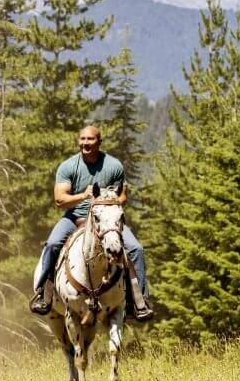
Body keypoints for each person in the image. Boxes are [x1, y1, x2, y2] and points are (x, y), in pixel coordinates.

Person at [29, 125, 153, 321]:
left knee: (136, 249)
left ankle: (139, 301)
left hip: (106, 220)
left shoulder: (114, 166)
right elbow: (60, 200)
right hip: (74, 218)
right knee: (53, 244)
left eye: (90, 139)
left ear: (99, 142)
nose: (85, 143)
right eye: (82, 139)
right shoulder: (68, 166)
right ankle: (43, 295)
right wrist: (83, 196)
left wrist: (106, 203)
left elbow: (122, 196)